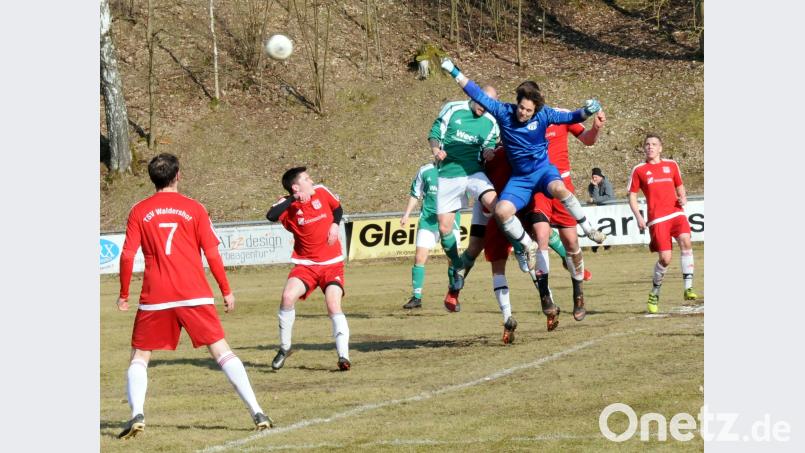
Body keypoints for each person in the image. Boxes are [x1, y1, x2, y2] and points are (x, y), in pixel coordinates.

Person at [116, 153, 272, 439]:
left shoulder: (139, 210)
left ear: (152, 179)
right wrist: (226, 290)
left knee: (140, 356)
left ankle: (137, 413)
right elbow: (212, 252)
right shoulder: (195, 208)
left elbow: (127, 255)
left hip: (156, 295)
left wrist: (124, 293)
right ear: (178, 175)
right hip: (194, 294)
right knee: (222, 351)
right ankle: (257, 411)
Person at [439, 59, 607, 291]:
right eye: (521, 108)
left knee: (560, 189)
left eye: (528, 110)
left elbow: (572, 117)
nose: (524, 113)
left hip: (543, 171)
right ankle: (527, 245)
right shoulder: (503, 111)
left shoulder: (545, 115)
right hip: (520, 179)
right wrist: (454, 71)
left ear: (535, 109)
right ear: (516, 103)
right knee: (501, 211)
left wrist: (587, 110)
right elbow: (476, 93)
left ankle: (589, 229)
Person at [266, 167, 351, 371]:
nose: (311, 180)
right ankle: (285, 348)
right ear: (296, 186)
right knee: (287, 298)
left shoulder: (321, 191)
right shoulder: (287, 205)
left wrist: (334, 225)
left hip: (332, 264)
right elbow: (271, 215)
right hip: (306, 266)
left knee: (332, 304)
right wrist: (293, 198)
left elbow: (337, 209)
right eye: (306, 178)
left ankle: (343, 356)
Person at [527, 109, 607, 324]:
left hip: (562, 187)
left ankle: (578, 293)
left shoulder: (560, 116)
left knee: (571, 244)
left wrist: (596, 127)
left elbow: (588, 140)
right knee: (541, 237)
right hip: (539, 189)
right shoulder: (523, 119)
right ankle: (545, 296)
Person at [428, 86, 502, 299]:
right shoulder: (453, 108)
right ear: (473, 96)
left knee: (498, 207)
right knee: (444, 229)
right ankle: (456, 267)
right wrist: (436, 150)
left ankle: (523, 246)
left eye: (489, 105)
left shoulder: (491, 122)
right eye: (482, 102)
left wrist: (489, 152)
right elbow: (435, 133)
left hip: (474, 173)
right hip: (449, 174)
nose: (484, 108)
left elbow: (489, 146)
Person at [628, 134, 699, 314]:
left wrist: (683, 197)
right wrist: (638, 216)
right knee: (665, 259)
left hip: (676, 212)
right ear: (644, 148)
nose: (650, 147)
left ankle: (688, 288)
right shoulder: (639, 170)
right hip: (657, 218)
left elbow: (680, 186)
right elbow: (632, 195)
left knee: (686, 241)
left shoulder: (672, 165)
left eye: (654, 144)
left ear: (660, 148)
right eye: (647, 144)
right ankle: (655, 292)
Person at [400, 162, 461, 309]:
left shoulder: (458, 170)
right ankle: (417, 297)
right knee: (419, 258)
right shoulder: (425, 170)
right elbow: (415, 194)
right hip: (428, 222)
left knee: (452, 261)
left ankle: (453, 296)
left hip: (451, 222)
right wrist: (406, 214)